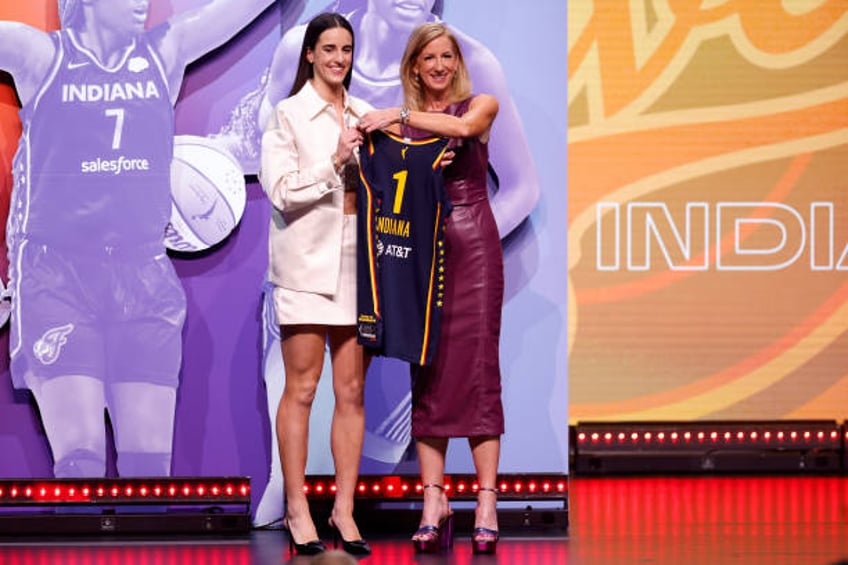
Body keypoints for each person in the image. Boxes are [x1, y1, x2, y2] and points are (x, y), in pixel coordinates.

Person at [0, 0, 272, 480]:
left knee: (149, 473)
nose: (140, 2)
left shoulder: (166, 50)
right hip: (57, 275)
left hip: (143, 273)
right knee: (80, 459)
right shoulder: (40, 55)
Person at [358, 22, 504, 555]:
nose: (439, 65)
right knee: (429, 373)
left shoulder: (478, 107)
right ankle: (434, 501)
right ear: (415, 67)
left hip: (474, 249)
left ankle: (486, 501)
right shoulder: (401, 133)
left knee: (479, 371)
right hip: (422, 254)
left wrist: (394, 117)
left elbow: (462, 133)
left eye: (447, 56)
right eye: (429, 58)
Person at [259, 12, 373, 557]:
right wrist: (334, 162)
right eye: (328, 48)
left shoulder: (365, 114)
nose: (338, 59)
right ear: (309, 54)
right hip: (306, 267)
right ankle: (297, 508)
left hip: (358, 265)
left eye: (346, 49)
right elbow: (280, 191)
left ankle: (345, 512)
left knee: (351, 392)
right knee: (302, 389)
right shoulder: (287, 115)